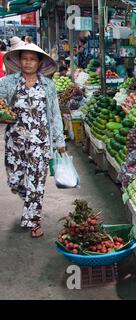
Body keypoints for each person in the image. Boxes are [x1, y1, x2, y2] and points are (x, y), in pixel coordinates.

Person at [0, 43, 65, 238]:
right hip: (15, 141)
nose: (28, 63)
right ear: (19, 61)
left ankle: (33, 220)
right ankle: (29, 197)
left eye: (32, 59)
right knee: (15, 180)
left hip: (40, 141)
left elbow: (55, 114)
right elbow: (1, 105)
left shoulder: (48, 85)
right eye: (24, 59)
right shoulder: (8, 83)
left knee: (37, 182)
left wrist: (60, 142)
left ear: (39, 63)